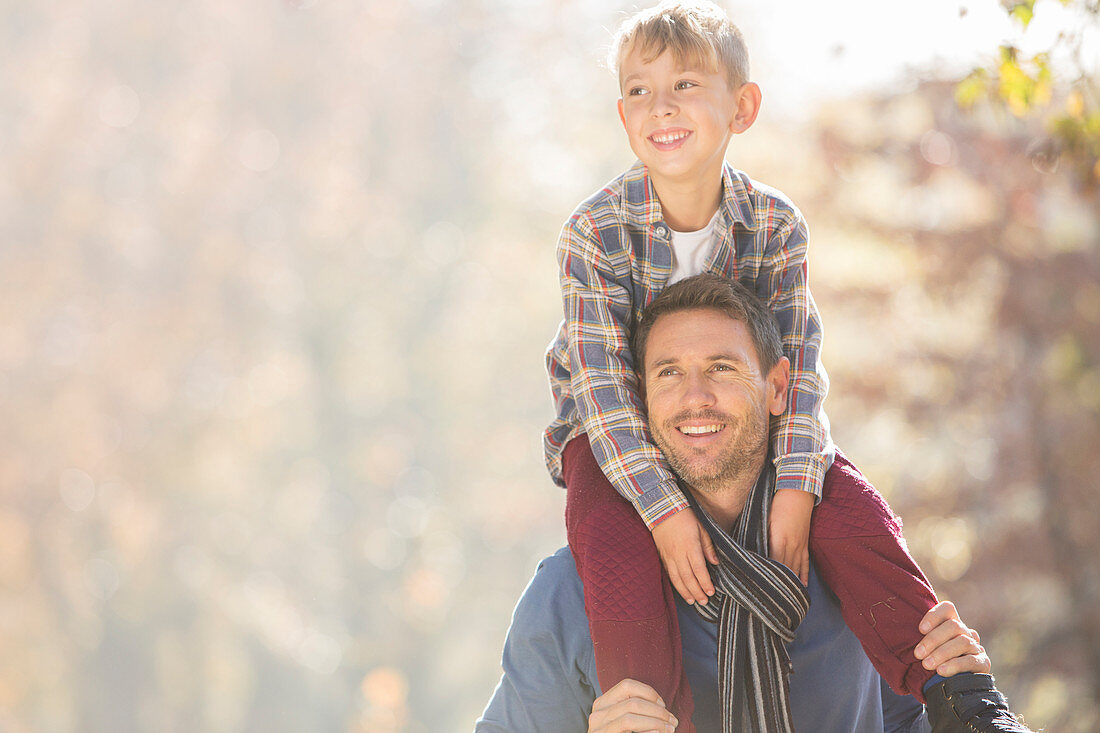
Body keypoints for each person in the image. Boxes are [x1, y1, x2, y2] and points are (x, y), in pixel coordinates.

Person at [541, 2, 995, 730]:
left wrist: (796, 488)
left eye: (686, 85)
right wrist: (662, 512)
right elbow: (602, 395)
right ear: (622, 114)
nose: (660, 106)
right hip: (612, 433)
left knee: (853, 512)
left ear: (742, 106)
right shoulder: (594, 233)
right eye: (638, 90)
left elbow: (801, 372)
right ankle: (651, 720)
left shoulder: (776, 224)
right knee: (612, 546)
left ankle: (960, 697)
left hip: (745, 421)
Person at [483, 275, 1033, 732]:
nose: (695, 395)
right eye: (668, 372)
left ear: (776, 388)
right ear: (641, 401)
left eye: (722, 367)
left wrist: (961, 683)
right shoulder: (570, 593)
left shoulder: (855, 571)